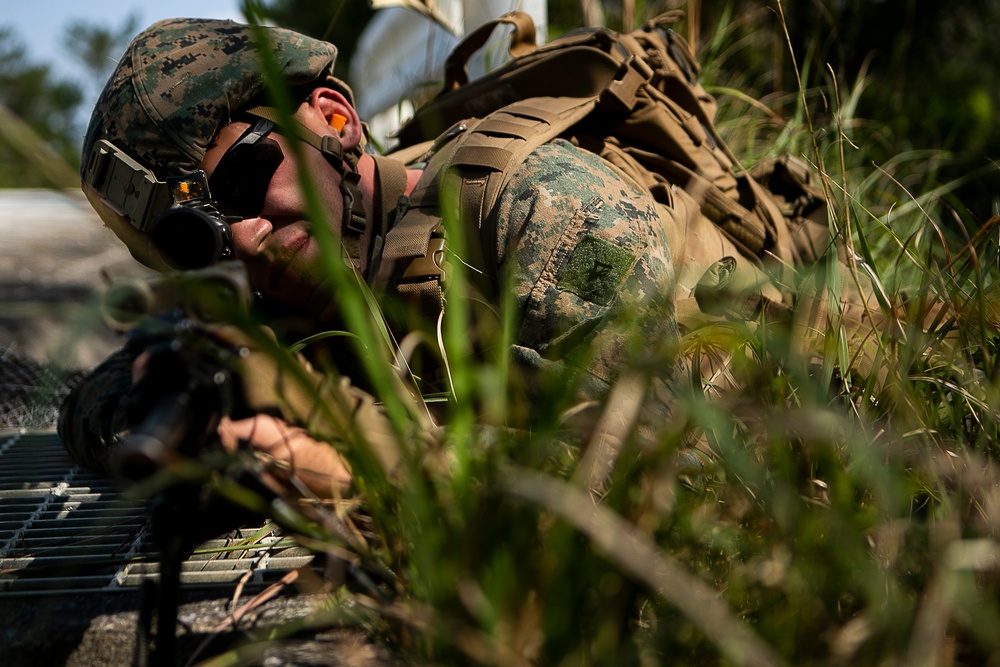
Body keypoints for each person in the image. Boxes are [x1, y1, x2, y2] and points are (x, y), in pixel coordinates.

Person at [62, 18, 688, 498]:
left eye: (240, 184)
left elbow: (655, 472)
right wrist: (179, 421)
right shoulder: (260, 295)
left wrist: (363, 470)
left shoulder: (547, 205)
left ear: (333, 120)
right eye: (198, 239)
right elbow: (98, 394)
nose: (246, 238)